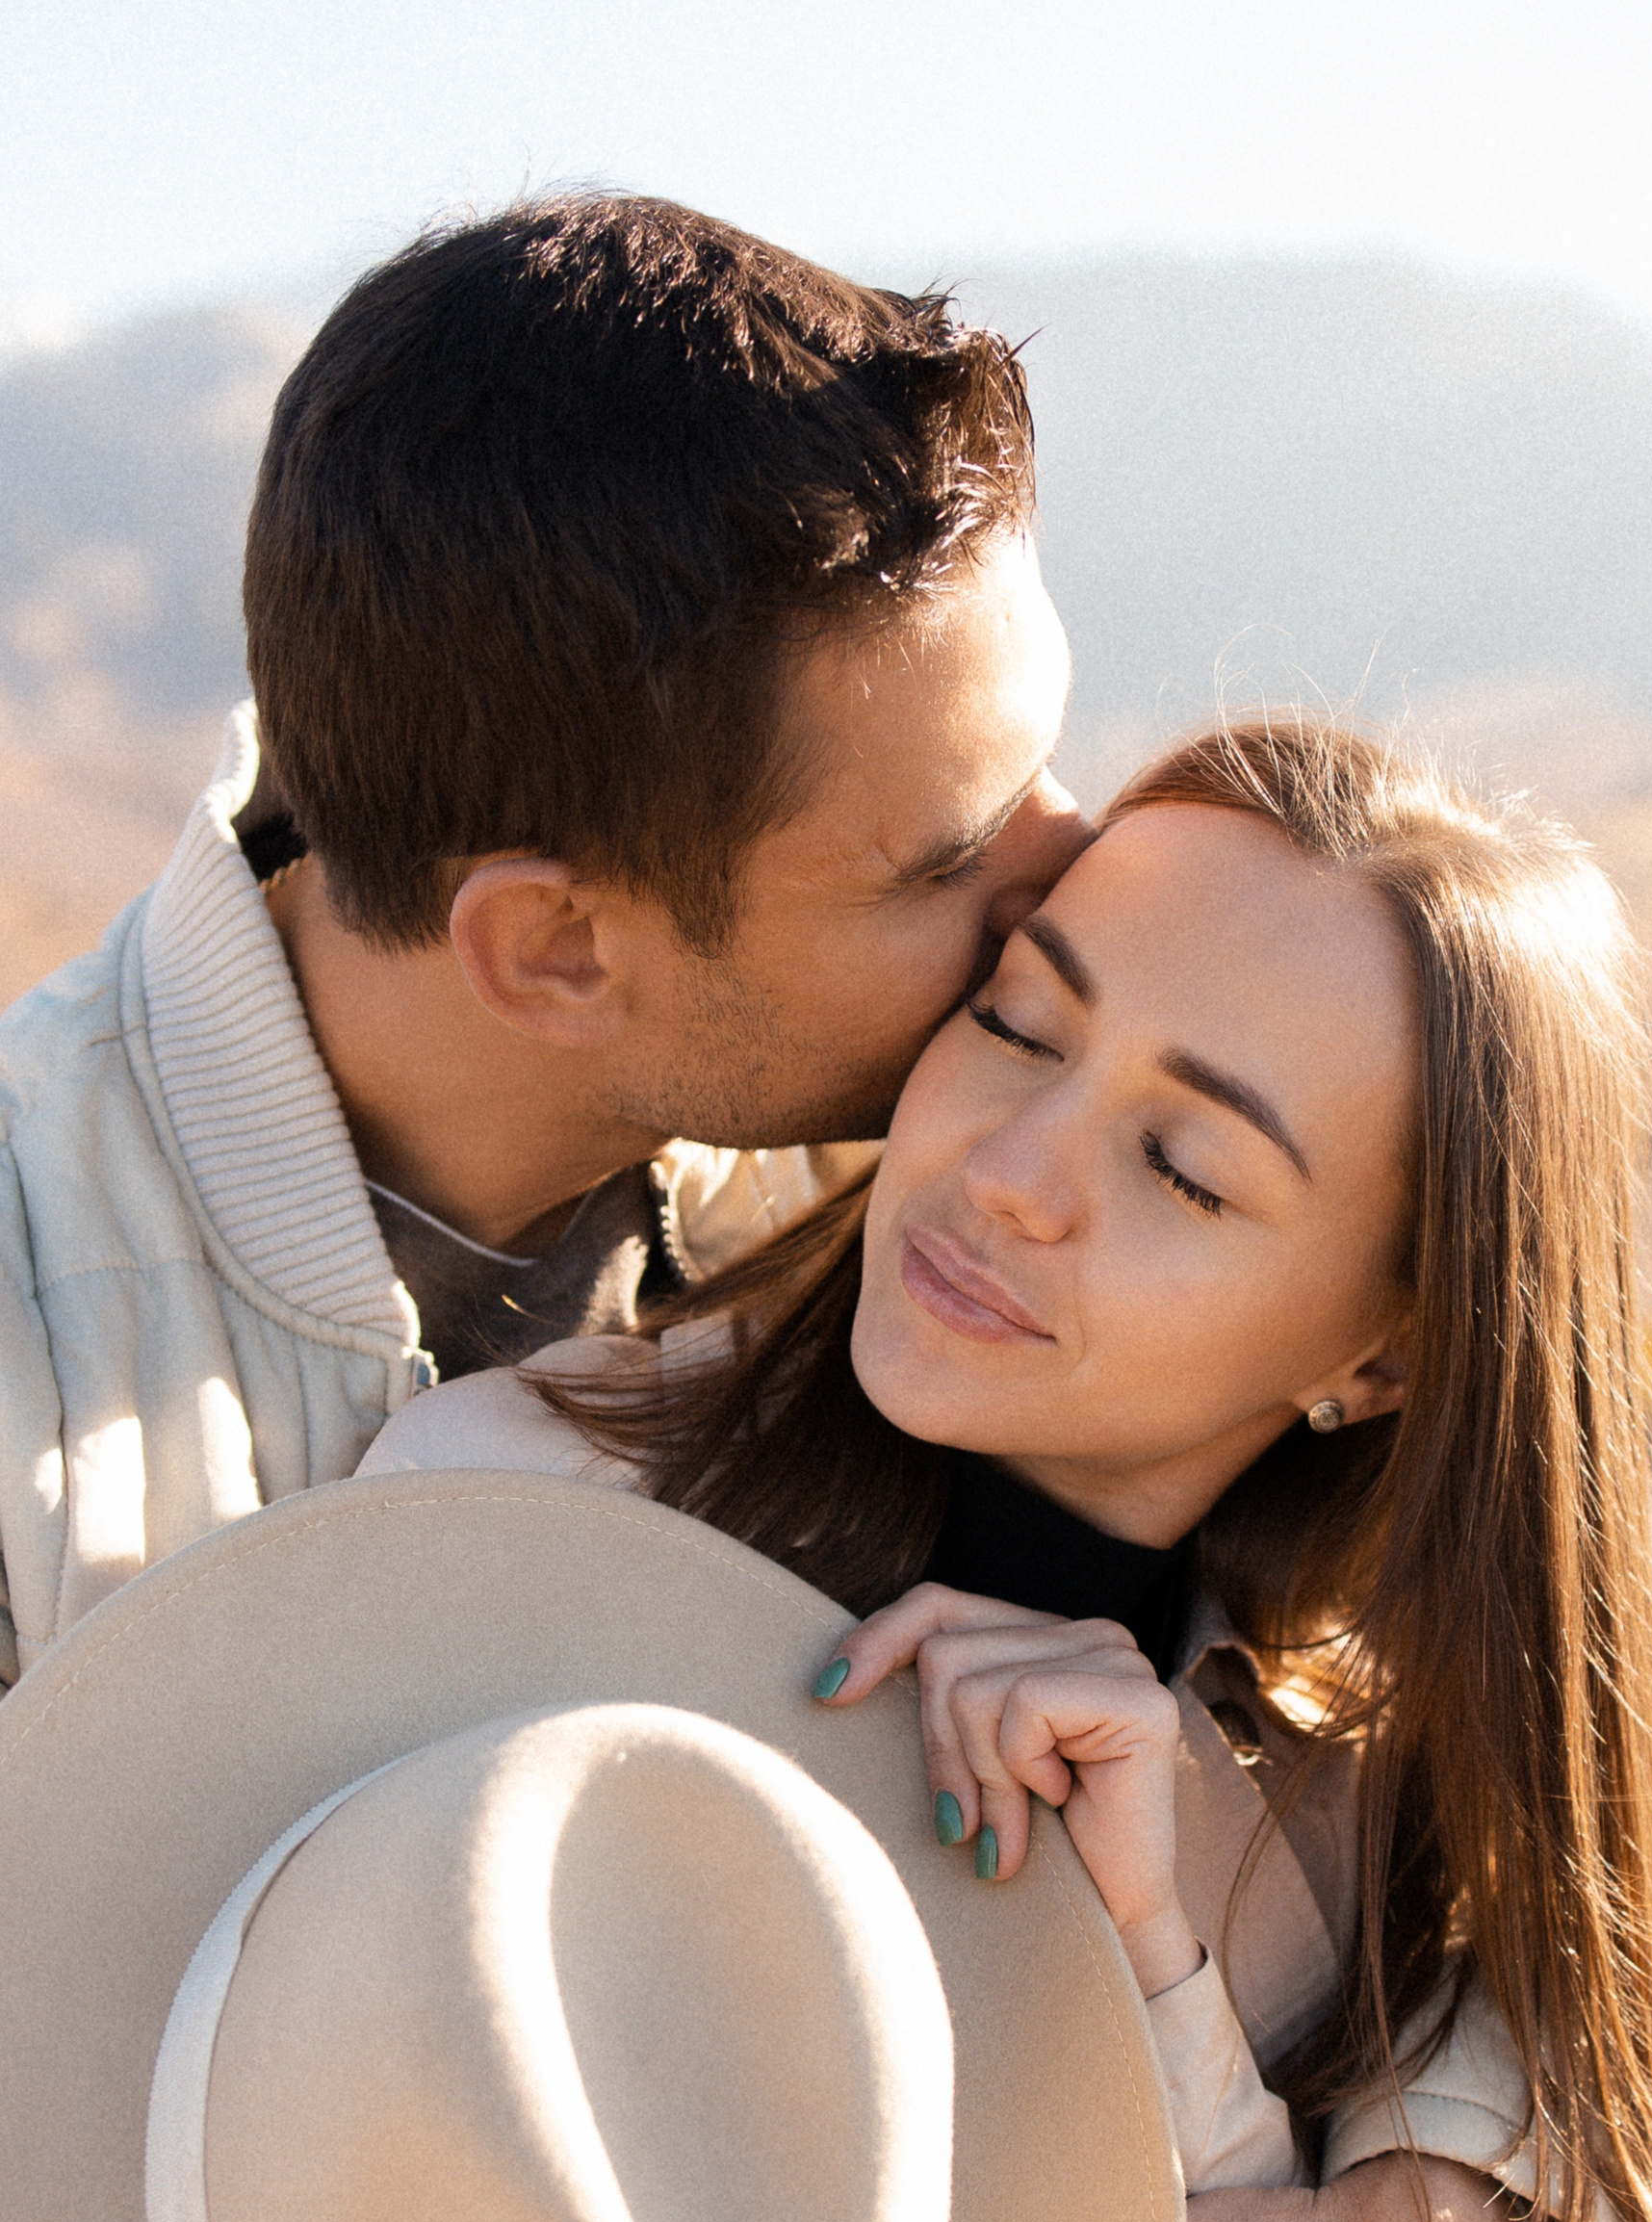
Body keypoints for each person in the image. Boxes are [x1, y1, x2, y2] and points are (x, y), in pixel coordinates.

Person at [361, 715, 1652, 2222]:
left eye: (1185, 1168)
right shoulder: (500, 1521)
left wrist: (1148, 1964)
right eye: (1017, 1022)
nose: (1006, 1176)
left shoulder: (1364, 1827)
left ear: (1385, 1354)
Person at [0, 192, 1082, 1689]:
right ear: (556, 950)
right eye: (957, 856)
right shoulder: (24, 1387)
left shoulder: (975, 1177)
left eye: (1046, 770)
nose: (1081, 868)